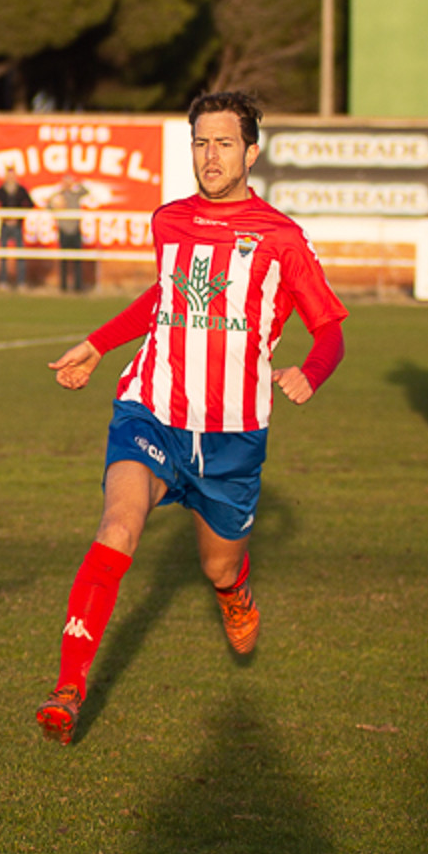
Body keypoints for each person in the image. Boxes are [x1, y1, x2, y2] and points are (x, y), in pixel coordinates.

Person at [35, 93, 347, 744]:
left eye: (224, 143)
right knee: (118, 526)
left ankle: (234, 593)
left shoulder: (281, 238)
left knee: (218, 567)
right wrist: (98, 344)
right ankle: (68, 689)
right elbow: (165, 295)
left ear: (251, 152)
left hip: (232, 434)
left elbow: (330, 329)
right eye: (201, 143)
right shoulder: (170, 220)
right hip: (151, 408)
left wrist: (312, 372)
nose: (210, 156)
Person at [0, 165, 35, 290]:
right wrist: (2, 216)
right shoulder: (1, 190)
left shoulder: (20, 190)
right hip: (5, 225)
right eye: (9, 175)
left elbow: (30, 204)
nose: (10, 178)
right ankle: (3, 281)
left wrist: (20, 217)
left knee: (20, 254)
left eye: (12, 175)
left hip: (17, 226)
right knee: (3, 254)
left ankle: (21, 282)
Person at [48, 174, 92, 293]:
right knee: (64, 261)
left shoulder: (75, 195)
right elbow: (48, 205)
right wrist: (56, 200)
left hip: (75, 229)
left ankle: (78, 286)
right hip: (63, 230)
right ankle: (63, 287)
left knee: (77, 260)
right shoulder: (59, 196)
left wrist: (77, 184)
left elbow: (86, 191)